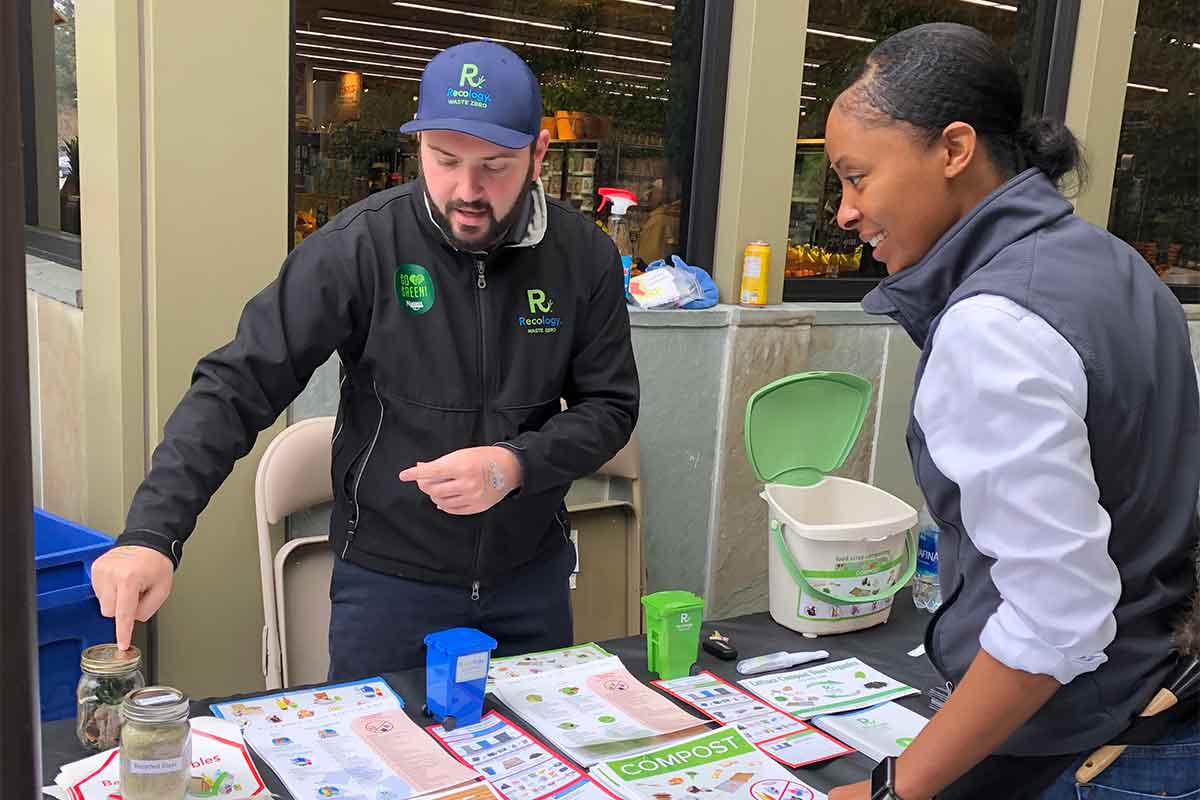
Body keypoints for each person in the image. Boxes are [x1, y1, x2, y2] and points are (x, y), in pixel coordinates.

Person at [88, 41, 639, 679]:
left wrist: (517, 465)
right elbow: (237, 382)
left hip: (530, 582)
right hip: (388, 588)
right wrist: (151, 534)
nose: (467, 190)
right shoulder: (360, 247)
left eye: (496, 165)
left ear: (540, 153)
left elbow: (610, 407)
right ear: (419, 147)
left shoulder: (584, 258)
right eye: (445, 159)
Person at [821, 23, 1200, 800]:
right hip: (1165, 701)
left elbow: (1056, 612)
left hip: (1089, 748)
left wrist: (899, 787)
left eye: (856, 178)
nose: (845, 213)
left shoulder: (992, 322)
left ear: (954, 150)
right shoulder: (1112, 263)